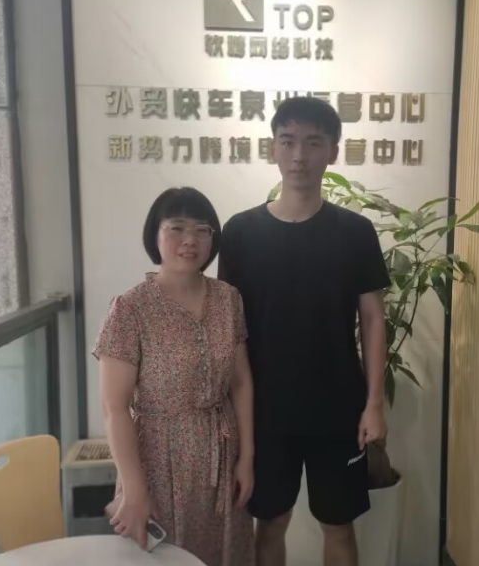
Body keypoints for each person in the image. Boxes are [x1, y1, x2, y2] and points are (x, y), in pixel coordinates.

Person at [219, 98, 390, 566]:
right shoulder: (240, 232)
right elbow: (228, 329)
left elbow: (373, 318)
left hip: (339, 408)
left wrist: (374, 403)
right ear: (272, 148)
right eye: (288, 141)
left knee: (339, 525)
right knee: (270, 522)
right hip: (265, 412)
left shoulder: (355, 232)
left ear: (333, 151)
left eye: (314, 143)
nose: (299, 155)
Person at [94, 187, 255, 566]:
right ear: (155, 234)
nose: (190, 240)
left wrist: (246, 458)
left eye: (201, 230)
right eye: (177, 228)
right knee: (163, 557)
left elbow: (241, 383)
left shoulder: (228, 299)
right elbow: (114, 408)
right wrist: (134, 490)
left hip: (221, 454)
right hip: (157, 463)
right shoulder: (130, 308)